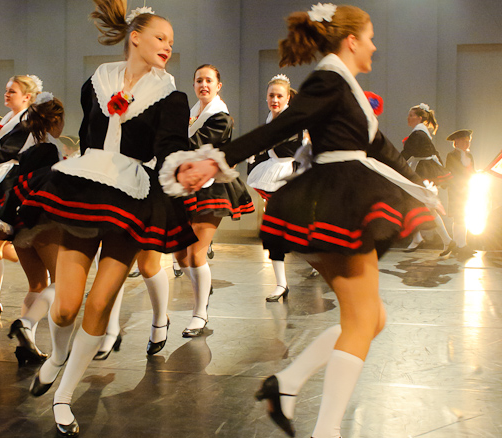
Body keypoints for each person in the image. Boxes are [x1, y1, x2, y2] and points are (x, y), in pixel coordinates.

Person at [165, 4, 439, 437]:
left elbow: (381, 147)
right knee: (363, 320)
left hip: (344, 198)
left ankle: (287, 385)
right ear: (351, 41)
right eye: (370, 38)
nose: (374, 46)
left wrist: (425, 189)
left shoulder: (346, 85)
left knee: (373, 319)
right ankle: (325, 430)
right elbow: (280, 127)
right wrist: (216, 160)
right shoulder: (329, 78)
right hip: (337, 202)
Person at [10, 3, 197, 436]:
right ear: (136, 37)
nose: (168, 46)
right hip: (85, 189)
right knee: (65, 308)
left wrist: (186, 170)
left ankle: (63, 395)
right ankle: (58, 356)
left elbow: (170, 147)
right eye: (160, 37)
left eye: (171, 41)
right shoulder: (96, 81)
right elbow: (90, 135)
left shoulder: (172, 96)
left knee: (98, 304)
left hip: (131, 197)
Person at [176, 64, 254, 336]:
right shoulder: (192, 114)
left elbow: (194, 146)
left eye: (209, 80)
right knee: (179, 254)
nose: (203, 85)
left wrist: (166, 138)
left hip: (212, 188)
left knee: (195, 252)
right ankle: (203, 287)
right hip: (188, 186)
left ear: (218, 86)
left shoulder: (221, 118)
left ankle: (200, 314)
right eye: (199, 80)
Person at [0, 92, 67, 366]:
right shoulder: (49, 148)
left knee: (37, 284)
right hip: (43, 221)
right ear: (55, 121)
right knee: (61, 282)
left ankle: (28, 343)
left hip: (19, 223)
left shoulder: (24, 148)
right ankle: (29, 325)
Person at [0, 75, 43, 324]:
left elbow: (6, 153)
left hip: (15, 183)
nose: (6, 94)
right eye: (6, 90)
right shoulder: (8, 119)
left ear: (27, 96)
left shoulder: (28, 120)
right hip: (1, 178)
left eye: (12, 91)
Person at [247, 74, 309, 301]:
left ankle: (320, 260)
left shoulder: (293, 121)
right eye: (271, 95)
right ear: (266, 97)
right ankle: (281, 283)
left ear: (287, 98)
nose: (274, 100)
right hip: (275, 172)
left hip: (291, 175)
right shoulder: (270, 119)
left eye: (279, 96)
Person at [402, 103, 455, 256]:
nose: (408, 118)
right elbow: (434, 153)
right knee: (416, 204)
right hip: (425, 171)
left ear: (419, 118)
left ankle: (440, 239)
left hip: (423, 173)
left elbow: (406, 154)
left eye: (411, 115)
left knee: (418, 205)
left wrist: (391, 164)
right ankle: (439, 240)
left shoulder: (418, 134)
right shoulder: (422, 133)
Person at [445, 129, 476, 258]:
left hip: (467, 190)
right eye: (463, 141)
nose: (466, 143)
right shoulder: (451, 156)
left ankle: (460, 244)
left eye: (468, 141)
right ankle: (461, 245)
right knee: (459, 217)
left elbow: (472, 171)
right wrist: (460, 186)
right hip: (456, 191)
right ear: (456, 142)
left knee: (463, 216)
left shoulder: (470, 156)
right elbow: (452, 173)